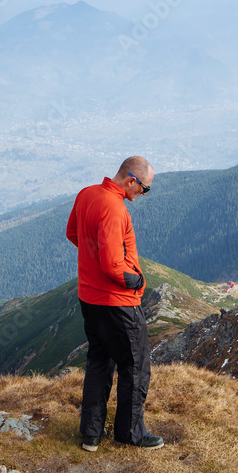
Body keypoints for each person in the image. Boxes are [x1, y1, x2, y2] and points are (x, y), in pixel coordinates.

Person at [65, 156, 164, 451]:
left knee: (99, 360)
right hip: (117, 303)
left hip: (89, 299)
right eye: (144, 188)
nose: (143, 195)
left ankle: (92, 434)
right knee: (136, 366)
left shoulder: (87, 194)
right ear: (131, 179)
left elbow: (73, 233)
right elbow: (112, 265)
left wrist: (94, 261)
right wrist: (136, 281)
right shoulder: (114, 208)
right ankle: (130, 433)